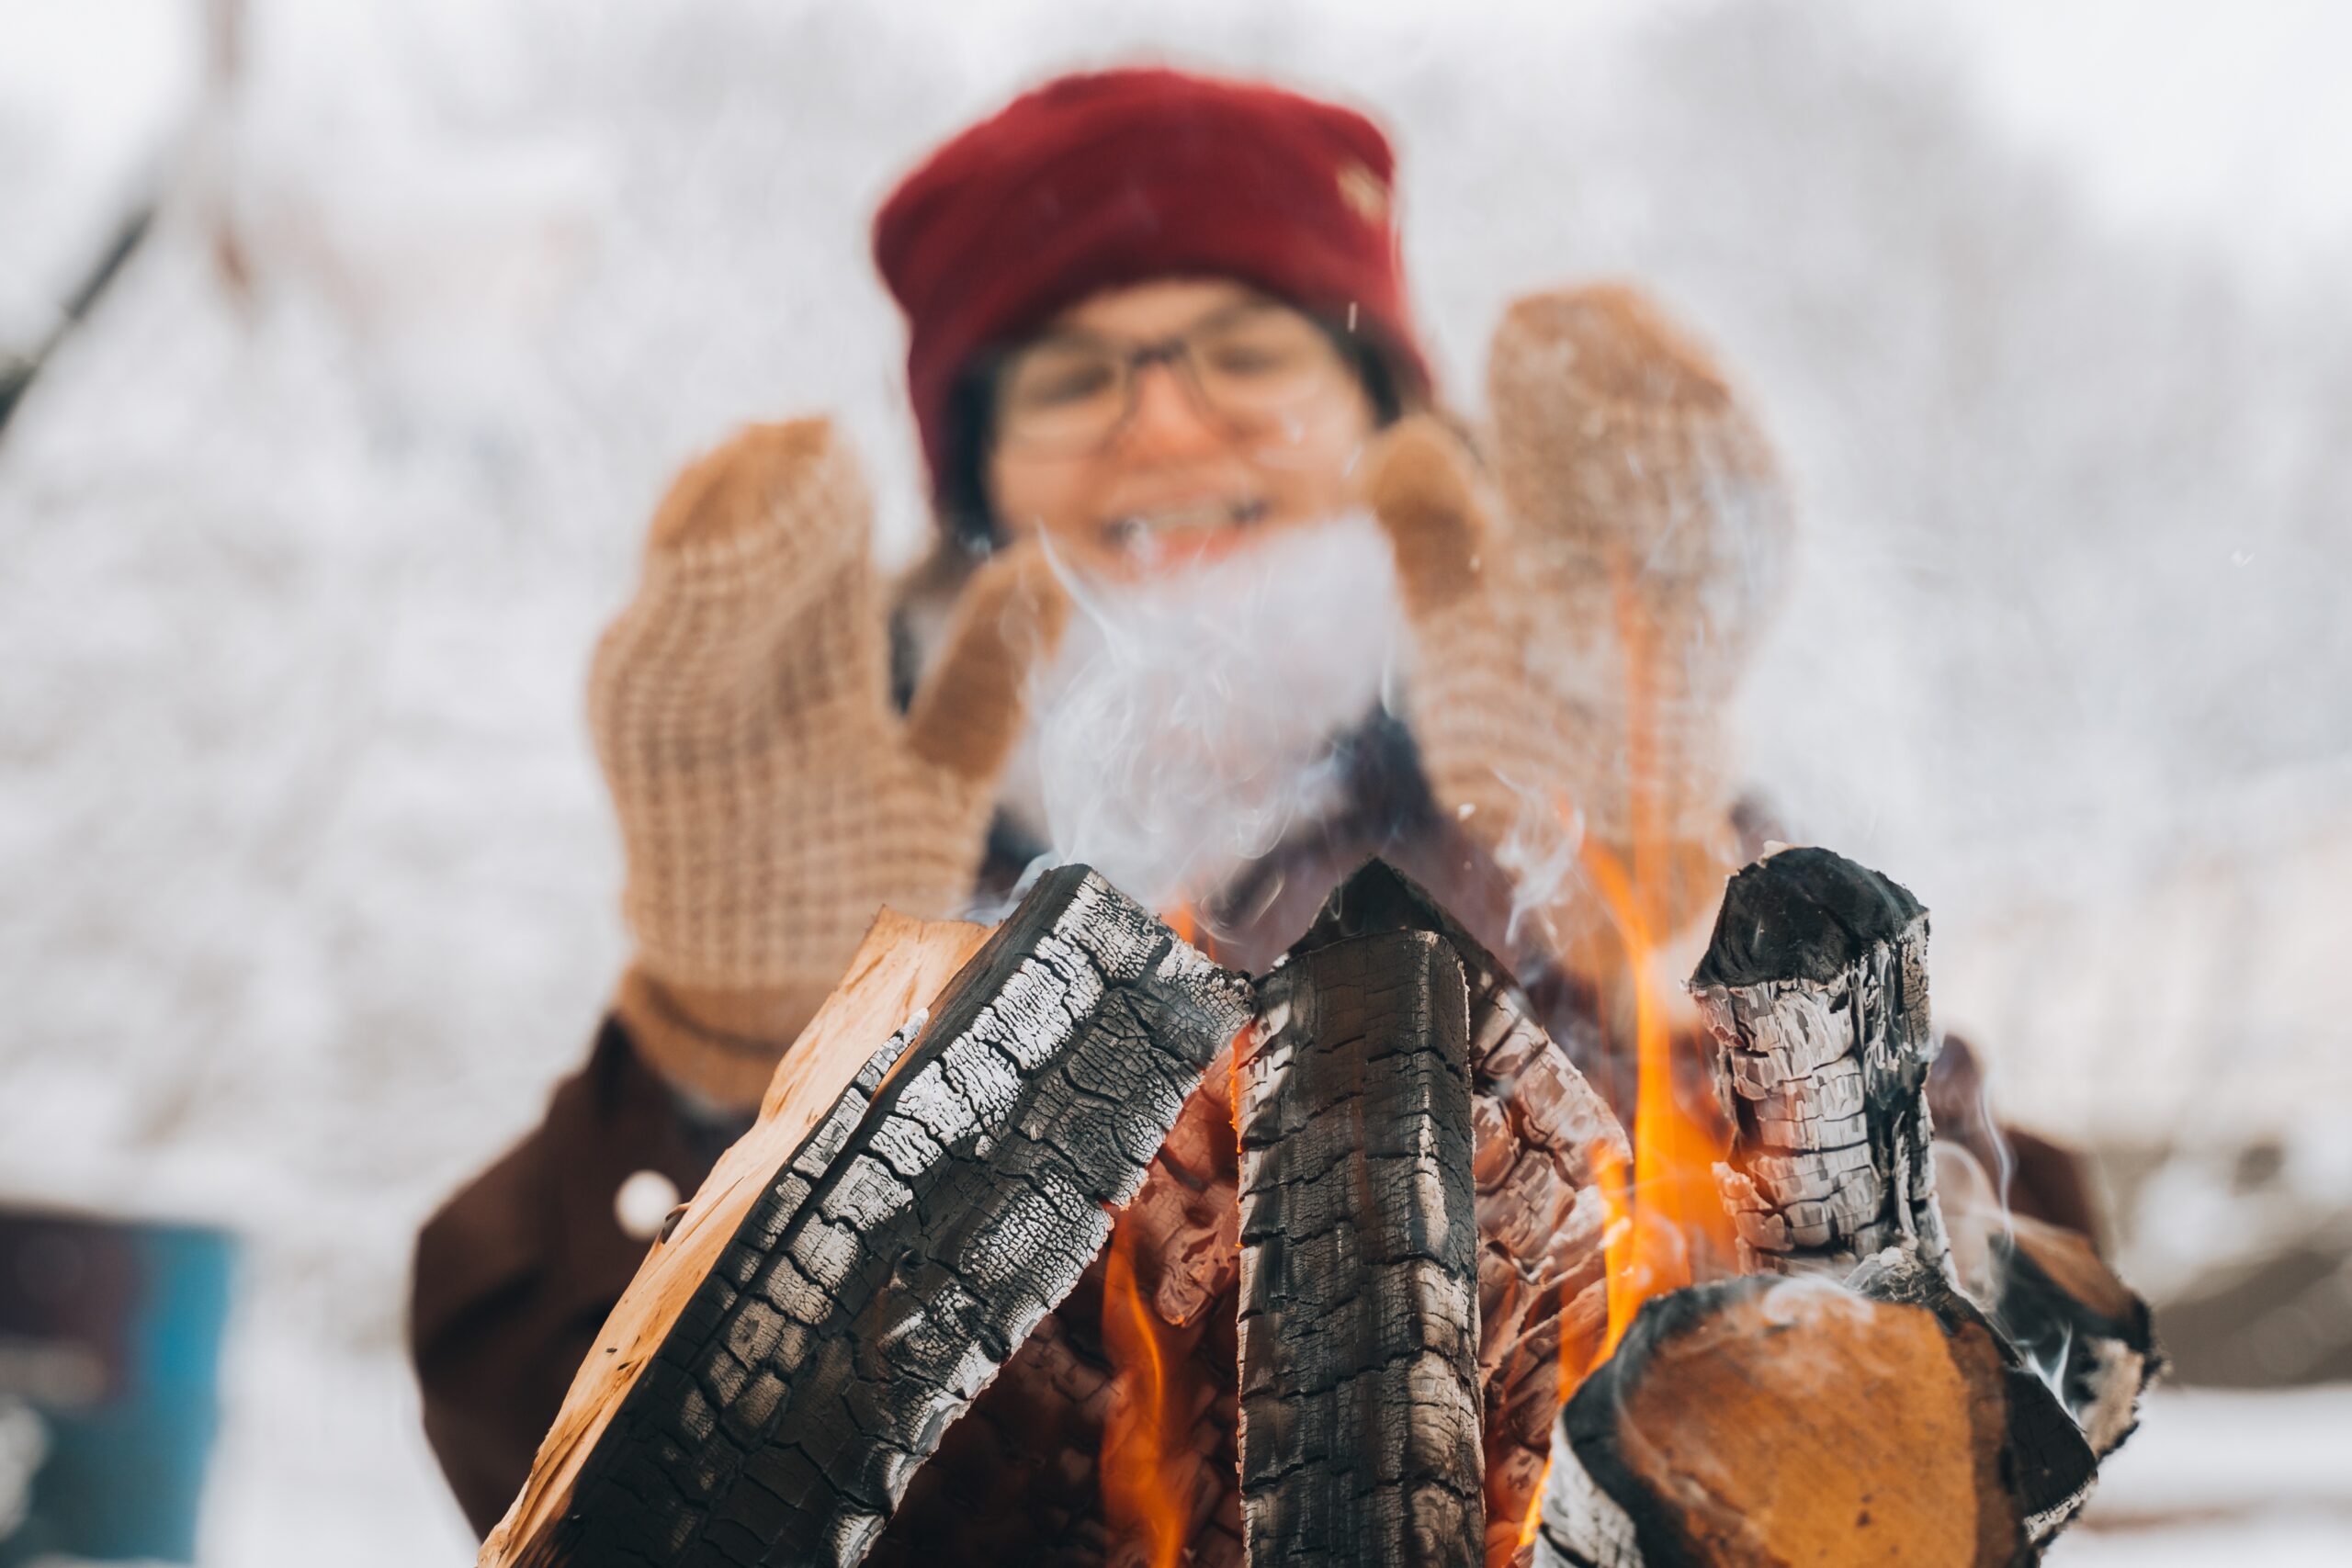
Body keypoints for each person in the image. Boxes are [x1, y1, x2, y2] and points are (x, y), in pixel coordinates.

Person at [409, 65, 2088, 1556]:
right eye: (1072, 377)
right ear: (976, 470)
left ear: (1389, 433)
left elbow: (2011, 1389)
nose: (1160, 417)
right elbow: (520, 1439)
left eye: (1243, 352)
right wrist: (734, 1071)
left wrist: (1676, 927)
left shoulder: (1568, 819)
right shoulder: (876, 876)